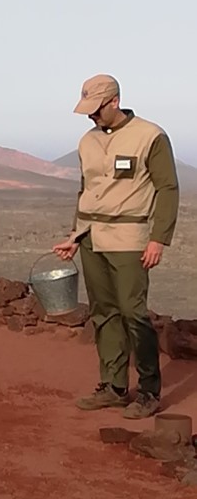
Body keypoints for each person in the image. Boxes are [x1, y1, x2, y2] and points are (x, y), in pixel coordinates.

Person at [52, 74, 179, 419]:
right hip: (92, 238)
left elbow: (168, 188)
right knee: (103, 313)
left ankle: (150, 391)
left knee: (133, 313)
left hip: (129, 240)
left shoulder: (150, 136)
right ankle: (114, 386)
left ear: (114, 102)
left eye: (95, 110)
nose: (91, 117)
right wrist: (74, 236)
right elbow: (86, 191)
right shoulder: (87, 141)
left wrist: (158, 239)